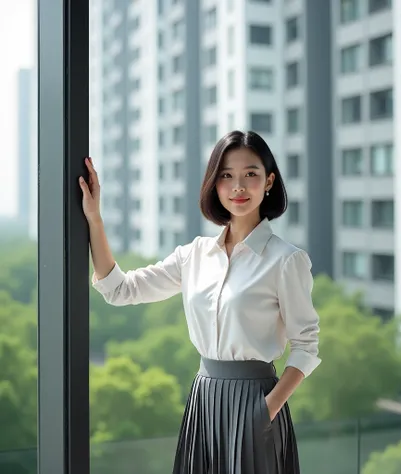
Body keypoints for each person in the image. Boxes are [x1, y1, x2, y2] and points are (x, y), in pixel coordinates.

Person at [79, 130, 321, 474]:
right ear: (214, 184)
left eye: (250, 174)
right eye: (226, 175)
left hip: (257, 404)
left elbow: (306, 345)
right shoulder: (194, 255)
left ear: (268, 181)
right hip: (204, 401)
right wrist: (95, 219)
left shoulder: (286, 260)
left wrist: (265, 410)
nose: (238, 186)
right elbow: (120, 289)